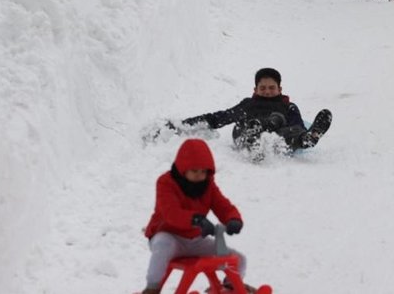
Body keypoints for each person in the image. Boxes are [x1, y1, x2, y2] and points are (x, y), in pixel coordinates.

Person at [141, 138, 254, 294]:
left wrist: (233, 219)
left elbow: (222, 205)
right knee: (162, 246)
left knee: (238, 259)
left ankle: (229, 287)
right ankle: (152, 288)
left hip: (195, 240)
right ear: (183, 168)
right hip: (169, 236)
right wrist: (195, 219)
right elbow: (170, 213)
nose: (200, 176)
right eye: (195, 171)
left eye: (203, 172)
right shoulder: (165, 183)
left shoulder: (207, 185)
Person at [168, 68, 332, 155]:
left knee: (287, 127)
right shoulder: (249, 104)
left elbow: (297, 125)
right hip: (247, 132)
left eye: (271, 88)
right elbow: (219, 118)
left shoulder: (288, 106)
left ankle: (308, 139)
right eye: (263, 88)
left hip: (277, 136)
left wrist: (302, 134)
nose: (267, 91)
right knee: (248, 126)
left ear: (280, 89)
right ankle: (254, 139)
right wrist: (180, 125)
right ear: (255, 89)